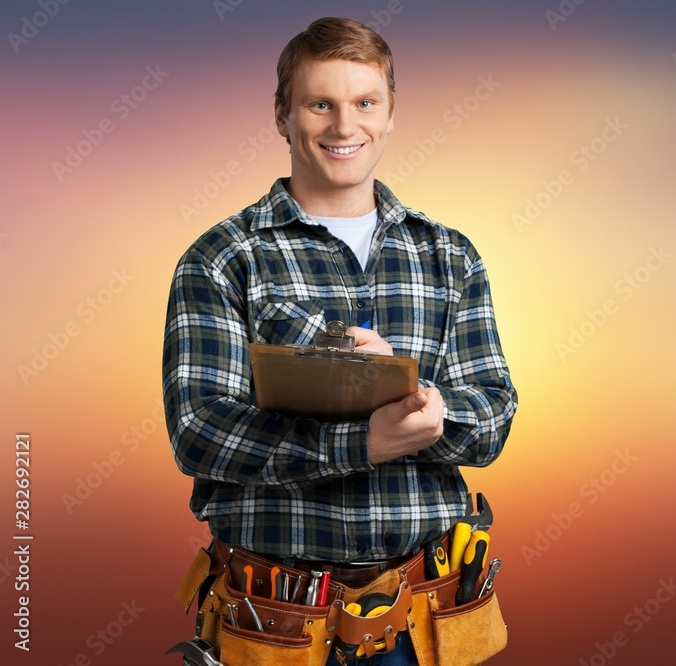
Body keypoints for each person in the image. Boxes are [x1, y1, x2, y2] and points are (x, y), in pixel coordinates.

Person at [162, 17, 516, 665]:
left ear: (388, 115)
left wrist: (430, 409)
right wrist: (362, 443)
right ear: (283, 115)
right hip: (273, 623)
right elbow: (199, 431)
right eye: (319, 103)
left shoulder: (449, 256)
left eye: (364, 103)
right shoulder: (221, 258)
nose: (343, 125)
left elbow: (492, 416)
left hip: (422, 618)